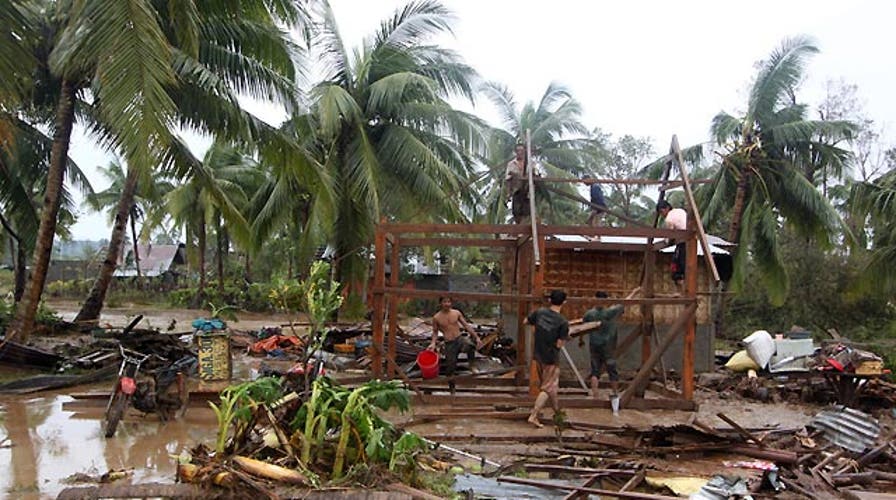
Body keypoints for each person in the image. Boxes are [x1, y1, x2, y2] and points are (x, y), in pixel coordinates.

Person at [583, 288, 638, 399]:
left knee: (595, 370)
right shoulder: (611, 312)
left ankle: (595, 395)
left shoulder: (589, 314)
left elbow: (583, 328)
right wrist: (634, 292)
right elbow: (625, 302)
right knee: (612, 369)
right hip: (608, 345)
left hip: (594, 345)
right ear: (606, 300)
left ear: (595, 299)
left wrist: (580, 340)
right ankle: (615, 393)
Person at [526, 290, 570, 428]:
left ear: (550, 300)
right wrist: (566, 338)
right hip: (551, 358)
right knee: (547, 388)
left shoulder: (539, 312)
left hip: (538, 355)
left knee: (551, 387)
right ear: (564, 302)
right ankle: (533, 415)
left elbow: (526, 321)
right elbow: (559, 344)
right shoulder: (563, 322)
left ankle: (557, 413)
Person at [428, 297, 482, 390]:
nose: (447, 304)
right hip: (449, 343)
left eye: (449, 302)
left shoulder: (456, 313)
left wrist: (476, 337)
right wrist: (433, 343)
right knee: (450, 369)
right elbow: (435, 332)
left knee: (470, 345)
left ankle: (471, 365)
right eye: (445, 302)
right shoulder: (436, 317)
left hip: (459, 338)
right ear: (441, 303)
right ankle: (452, 389)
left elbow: (466, 325)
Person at [656, 200, 688, 289]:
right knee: (682, 266)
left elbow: (670, 236)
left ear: (667, 208)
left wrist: (666, 242)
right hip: (687, 240)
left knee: (677, 269)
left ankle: (683, 288)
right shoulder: (681, 211)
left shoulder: (669, 218)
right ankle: (683, 285)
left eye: (662, 212)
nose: (662, 215)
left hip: (683, 242)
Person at [505, 143, 531, 224]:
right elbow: (508, 179)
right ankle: (520, 227)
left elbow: (535, 175)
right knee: (516, 211)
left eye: (522, 151)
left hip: (528, 191)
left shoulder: (530, 163)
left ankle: (523, 229)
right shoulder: (511, 164)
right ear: (515, 152)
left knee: (527, 211)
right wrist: (508, 193)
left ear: (525, 152)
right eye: (518, 151)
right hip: (516, 190)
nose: (520, 152)